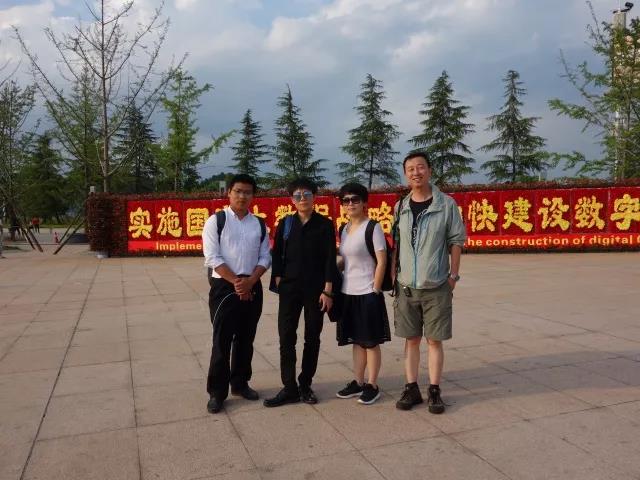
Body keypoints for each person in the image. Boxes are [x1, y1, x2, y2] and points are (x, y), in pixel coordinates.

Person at [392, 152, 466, 414]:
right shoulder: (400, 206)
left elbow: (456, 241)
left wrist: (453, 276)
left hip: (436, 286)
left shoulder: (446, 205)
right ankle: (411, 388)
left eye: (420, 167)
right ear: (405, 174)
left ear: (430, 171)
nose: (416, 172)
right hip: (406, 287)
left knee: (434, 341)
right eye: (410, 169)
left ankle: (434, 390)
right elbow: (397, 244)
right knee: (411, 339)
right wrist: (394, 278)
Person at [264, 178, 337, 407]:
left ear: (315, 197)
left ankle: (305, 384)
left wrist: (328, 290)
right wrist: (278, 279)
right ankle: (289, 388)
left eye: (307, 194)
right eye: (297, 195)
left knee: (312, 337)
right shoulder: (285, 223)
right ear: (292, 200)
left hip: (316, 290)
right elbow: (277, 253)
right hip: (290, 289)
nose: (302, 198)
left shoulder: (325, 224)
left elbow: (330, 259)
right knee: (286, 336)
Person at [202, 174, 271, 414]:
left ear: (253, 196)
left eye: (247, 192)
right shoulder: (216, 221)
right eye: (238, 191)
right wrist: (237, 282)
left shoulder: (259, 224)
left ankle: (240, 384)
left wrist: (250, 281)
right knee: (221, 339)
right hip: (224, 287)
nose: (242, 196)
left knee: (245, 338)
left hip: (252, 285)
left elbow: (265, 256)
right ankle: (217, 392)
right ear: (229, 193)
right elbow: (212, 257)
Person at [334, 183, 390, 405]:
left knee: (370, 342)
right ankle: (358, 382)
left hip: (367, 292)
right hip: (347, 292)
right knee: (356, 340)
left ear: (365, 203)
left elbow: (382, 261)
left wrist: (375, 289)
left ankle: (372, 385)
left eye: (355, 199)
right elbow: (346, 260)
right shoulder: (344, 229)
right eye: (346, 200)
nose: (350, 204)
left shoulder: (372, 227)